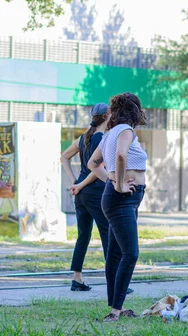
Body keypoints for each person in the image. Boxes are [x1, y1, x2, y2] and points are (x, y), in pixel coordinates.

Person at [88, 93, 148, 322]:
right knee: (130, 253)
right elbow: (121, 156)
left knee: (114, 254)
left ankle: (115, 308)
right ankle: (115, 311)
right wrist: (120, 183)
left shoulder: (110, 133)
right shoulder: (125, 130)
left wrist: (113, 181)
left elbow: (93, 164)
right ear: (134, 111)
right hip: (122, 198)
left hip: (120, 197)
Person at [60, 103, 110, 292]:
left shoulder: (84, 137)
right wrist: (79, 183)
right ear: (107, 115)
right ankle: (114, 279)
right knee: (107, 234)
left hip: (80, 193)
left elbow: (64, 157)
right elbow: (97, 169)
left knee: (83, 236)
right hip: (94, 191)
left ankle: (77, 278)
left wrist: (75, 181)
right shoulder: (101, 139)